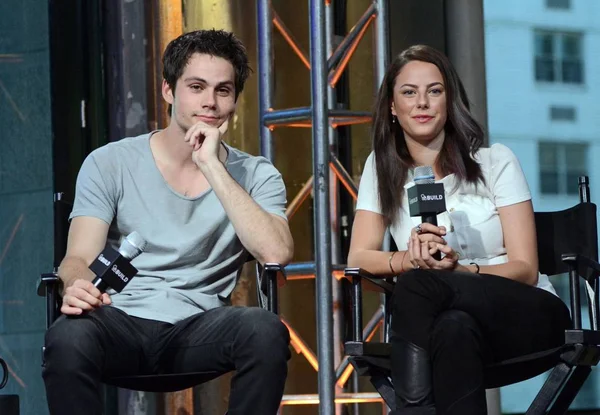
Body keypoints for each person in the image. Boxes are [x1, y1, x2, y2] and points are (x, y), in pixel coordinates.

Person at [42, 29, 294, 415]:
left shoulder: (257, 175)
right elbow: (78, 257)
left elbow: (276, 252)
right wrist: (77, 286)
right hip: (119, 318)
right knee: (67, 339)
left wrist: (211, 165)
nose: (209, 102)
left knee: (266, 332)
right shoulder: (110, 162)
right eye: (196, 86)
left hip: (199, 326)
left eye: (223, 90)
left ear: (235, 102)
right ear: (168, 91)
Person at [347, 44, 572, 415]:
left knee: (418, 284)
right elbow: (359, 256)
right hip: (446, 327)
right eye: (409, 92)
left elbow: (525, 268)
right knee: (452, 328)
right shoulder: (381, 168)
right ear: (391, 106)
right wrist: (410, 257)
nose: (422, 102)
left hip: (524, 314)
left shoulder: (494, 161)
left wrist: (459, 272)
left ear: (449, 101)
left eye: (434, 91)